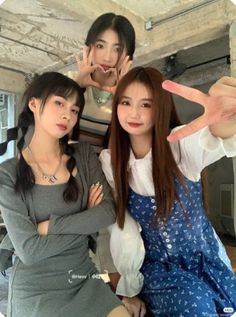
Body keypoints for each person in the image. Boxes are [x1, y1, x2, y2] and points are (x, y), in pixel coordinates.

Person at [99, 67, 236, 317]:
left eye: (146, 104)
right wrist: (128, 288)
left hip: (207, 261)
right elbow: (123, 229)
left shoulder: (179, 144)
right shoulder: (111, 161)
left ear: (161, 107)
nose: (134, 113)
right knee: (196, 306)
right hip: (158, 270)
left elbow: (217, 134)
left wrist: (226, 116)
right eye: (126, 102)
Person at [0, 72, 131, 317]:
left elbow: (109, 211)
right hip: (37, 288)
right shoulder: (7, 174)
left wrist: (50, 226)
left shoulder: (83, 154)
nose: (67, 115)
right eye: (59, 103)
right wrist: (87, 223)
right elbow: (29, 250)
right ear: (34, 104)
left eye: (74, 110)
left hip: (83, 276)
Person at [73, 12, 135, 146]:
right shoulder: (67, 84)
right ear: (88, 47)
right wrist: (76, 88)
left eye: (117, 49)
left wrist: (123, 98)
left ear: (129, 56)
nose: (107, 57)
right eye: (100, 46)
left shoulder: (133, 96)